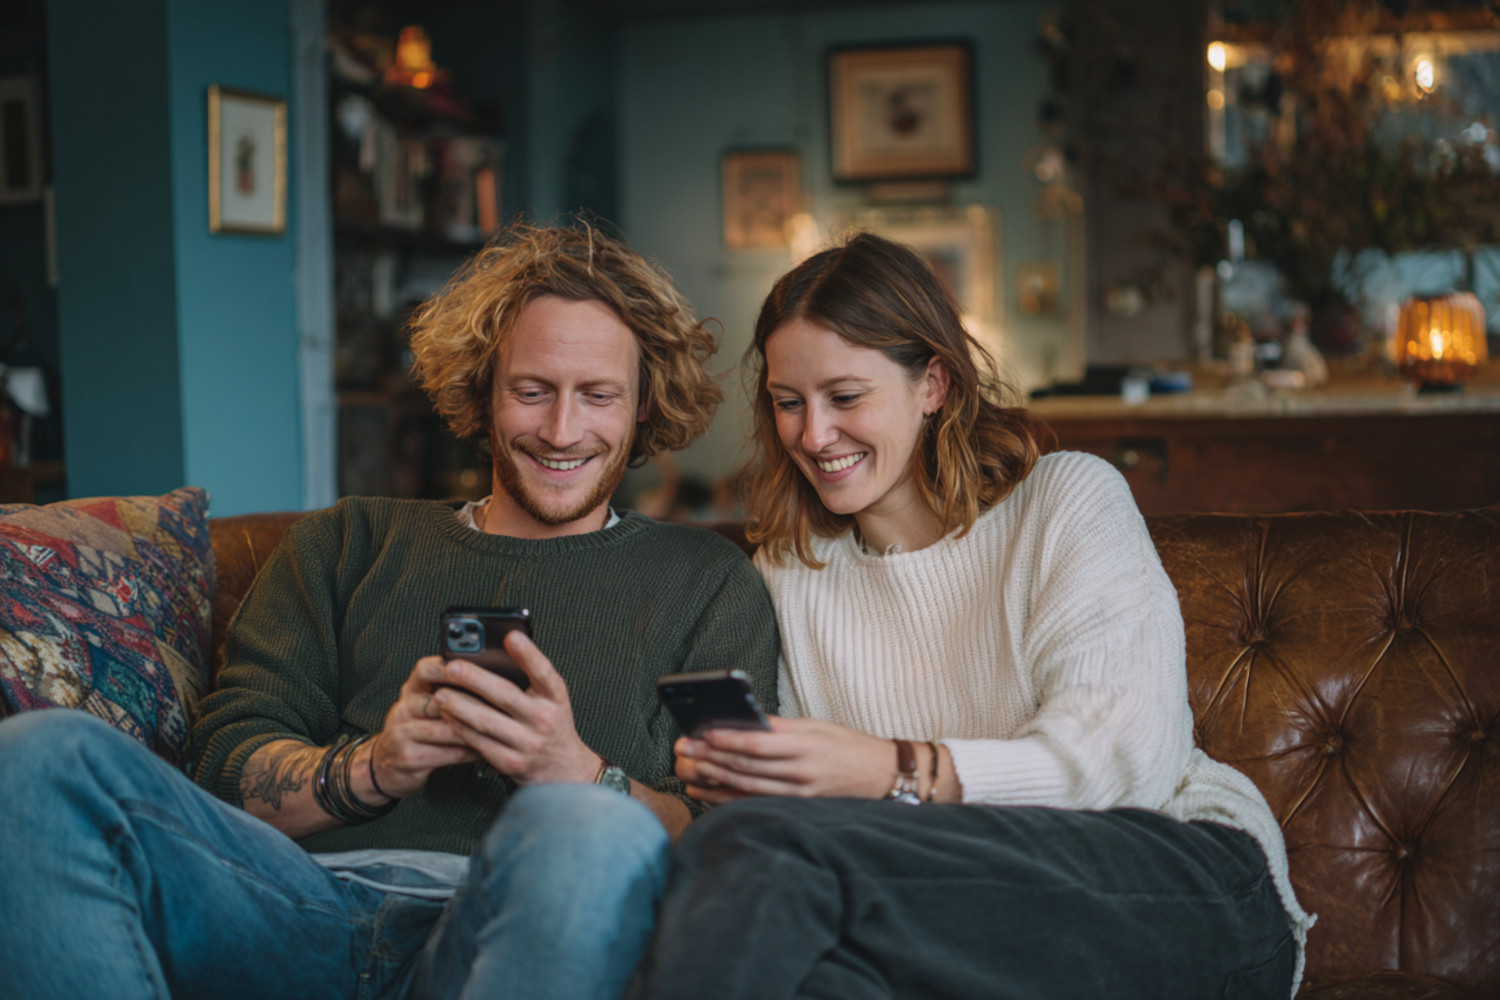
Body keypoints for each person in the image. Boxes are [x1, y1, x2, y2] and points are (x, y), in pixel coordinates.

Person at [0, 222, 779, 1000]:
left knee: (588, 827)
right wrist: (375, 767)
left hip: (513, 925)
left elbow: (729, 830)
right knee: (38, 756)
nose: (561, 430)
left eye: (598, 395)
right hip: (299, 911)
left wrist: (578, 775)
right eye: (532, 390)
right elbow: (225, 772)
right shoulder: (350, 541)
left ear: (643, 406)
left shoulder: (707, 581)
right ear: (484, 391)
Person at [628, 231, 1314, 1000]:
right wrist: (759, 776)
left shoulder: (1065, 500)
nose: (814, 436)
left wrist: (892, 771)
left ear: (934, 384)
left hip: (1179, 879)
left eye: (845, 397)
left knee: (765, 858)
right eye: (789, 404)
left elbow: (1122, 765)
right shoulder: (791, 573)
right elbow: (836, 830)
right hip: (955, 909)